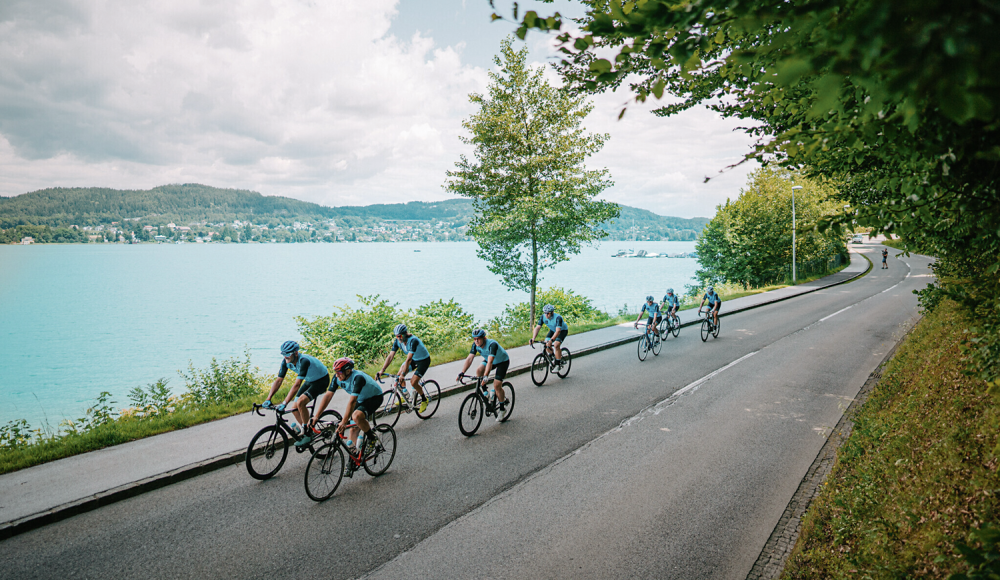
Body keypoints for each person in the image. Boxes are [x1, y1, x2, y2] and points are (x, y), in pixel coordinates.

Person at [261, 341, 331, 448]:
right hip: (310, 380)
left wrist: (284, 403)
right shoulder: (286, 362)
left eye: (288, 354)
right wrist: (268, 398)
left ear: (296, 353)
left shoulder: (304, 361)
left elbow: (297, 384)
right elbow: (279, 381)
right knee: (294, 408)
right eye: (283, 354)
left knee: (301, 402)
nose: (286, 357)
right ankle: (307, 430)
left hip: (321, 380)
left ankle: (307, 434)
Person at [327, 358, 384, 457]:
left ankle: (372, 438)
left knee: (356, 416)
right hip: (361, 399)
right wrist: (316, 416)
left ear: (348, 371)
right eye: (335, 372)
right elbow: (327, 396)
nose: (337, 375)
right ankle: (354, 459)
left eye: (339, 372)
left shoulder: (358, 378)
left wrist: (344, 422)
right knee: (353, 429)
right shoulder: (337, 378)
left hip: (375, 397)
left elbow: (352, 401)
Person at [377, 323, 430, 413]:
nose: (399, 338)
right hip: (414, 359)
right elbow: (390, 356)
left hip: (423, 361)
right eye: (397, 336)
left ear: (405, 333)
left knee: (413, 382)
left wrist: (403, 374)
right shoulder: (398, 341)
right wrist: (382, 370)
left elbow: (408, 359)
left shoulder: (413, 341)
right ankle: (405, 394)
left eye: (400, 336)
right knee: (398, 376)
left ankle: (424, 400)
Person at [456, 329, 509, 420]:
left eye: (478, 339)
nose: (476, 341)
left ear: (484, 338)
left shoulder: (492, 345)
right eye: (474, 339)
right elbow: (469, 359)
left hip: (502, 362)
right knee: (479, 370)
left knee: (497, 385)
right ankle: (485, 393)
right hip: (489, 360)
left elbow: (490, 362)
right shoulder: (475, 345)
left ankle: (502, 409)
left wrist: (486, 376)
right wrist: (462, 372)